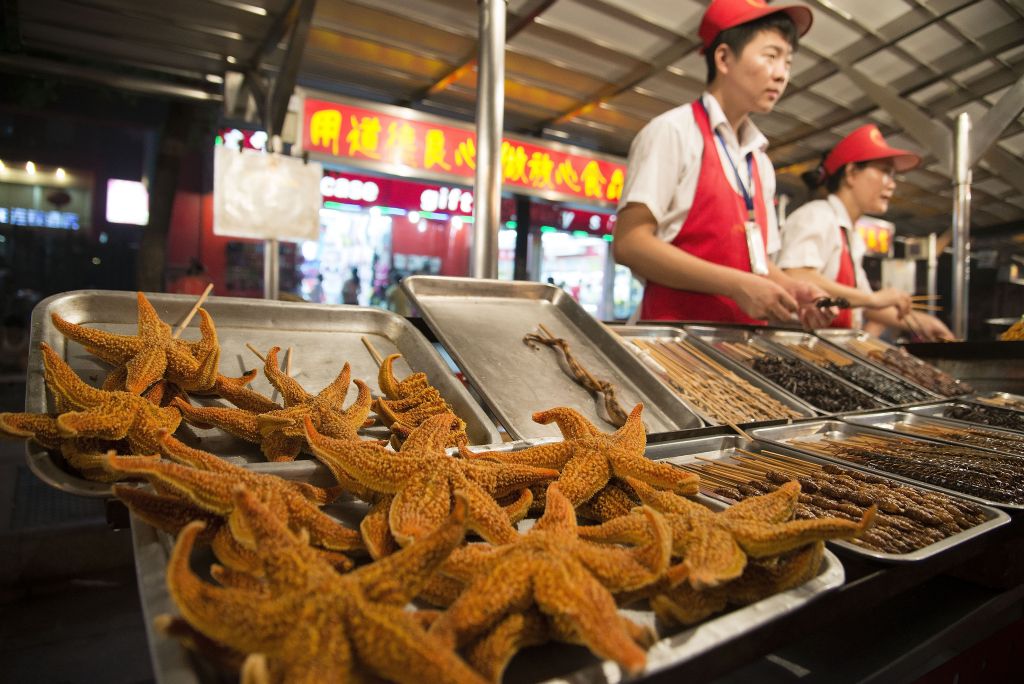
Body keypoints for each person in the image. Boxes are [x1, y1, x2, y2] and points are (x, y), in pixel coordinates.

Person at [613, 0, 833, 328]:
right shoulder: (674, 131)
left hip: (740, 349)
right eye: (771, 56)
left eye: (788, 61)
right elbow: (630, 243)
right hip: (674, 340)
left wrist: (791, 288)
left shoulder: (760, 161)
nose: (782, 74)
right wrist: (734, 284)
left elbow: (758, 263)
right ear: (724, 58)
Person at [777, 124, 954, 341]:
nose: (892, 185)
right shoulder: (816, 216)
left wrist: (924, 322)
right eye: (885, 172)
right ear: (851, 173)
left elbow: (865, 303)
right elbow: (796, 275)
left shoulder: (852, 237)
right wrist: (873, 299)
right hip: (798, 347)